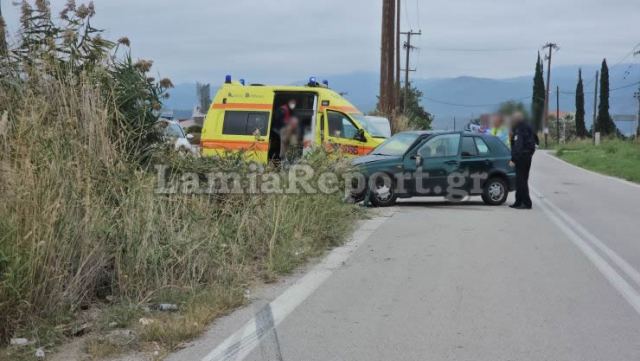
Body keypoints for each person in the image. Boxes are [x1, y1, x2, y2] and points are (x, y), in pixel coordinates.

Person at [509, 112, 536, 209]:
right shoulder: (527, 126)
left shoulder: (520, 129)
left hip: (522, 157)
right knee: (521, 180)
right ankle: (518, 201)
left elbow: (518, 145)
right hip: (527, 156)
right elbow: (535, 140)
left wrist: (513, 159)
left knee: (521, 181)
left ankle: (526, 203)